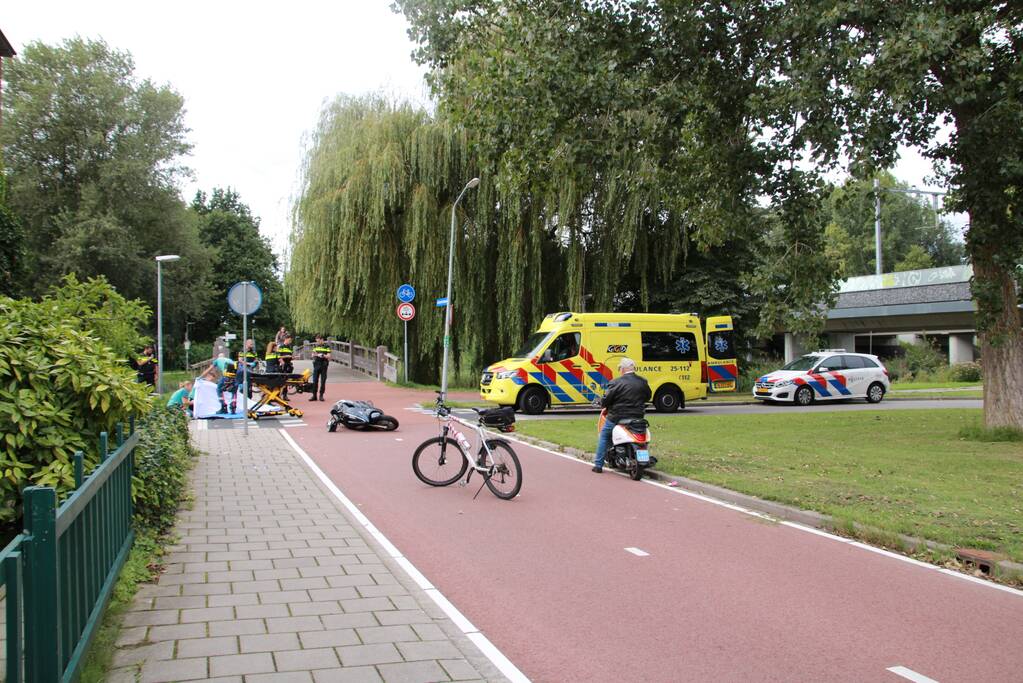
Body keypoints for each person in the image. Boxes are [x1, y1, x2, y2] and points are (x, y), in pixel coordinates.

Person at [592, 357, 651, 473]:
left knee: (604, 435)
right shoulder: (642, 382)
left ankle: (598, 465)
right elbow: (648, 396)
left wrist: (602, 402)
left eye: (620, 368)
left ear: (623, 369)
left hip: (617, 417)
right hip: (638, 416)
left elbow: (606, 400)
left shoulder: (616, 382)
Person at [309, 335, 331, 401]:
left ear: (322, 340)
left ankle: (321, 395)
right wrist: (316, 355)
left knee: (323, 381)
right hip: (316, 365)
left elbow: (329, 356)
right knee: (315, 380)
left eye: (318, 341)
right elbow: (312, 355)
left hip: (323, 365)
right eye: (317, 341)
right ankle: (314, 395)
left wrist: (323, 355)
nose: (317, 342)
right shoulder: (315, 346)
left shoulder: (327, 346)